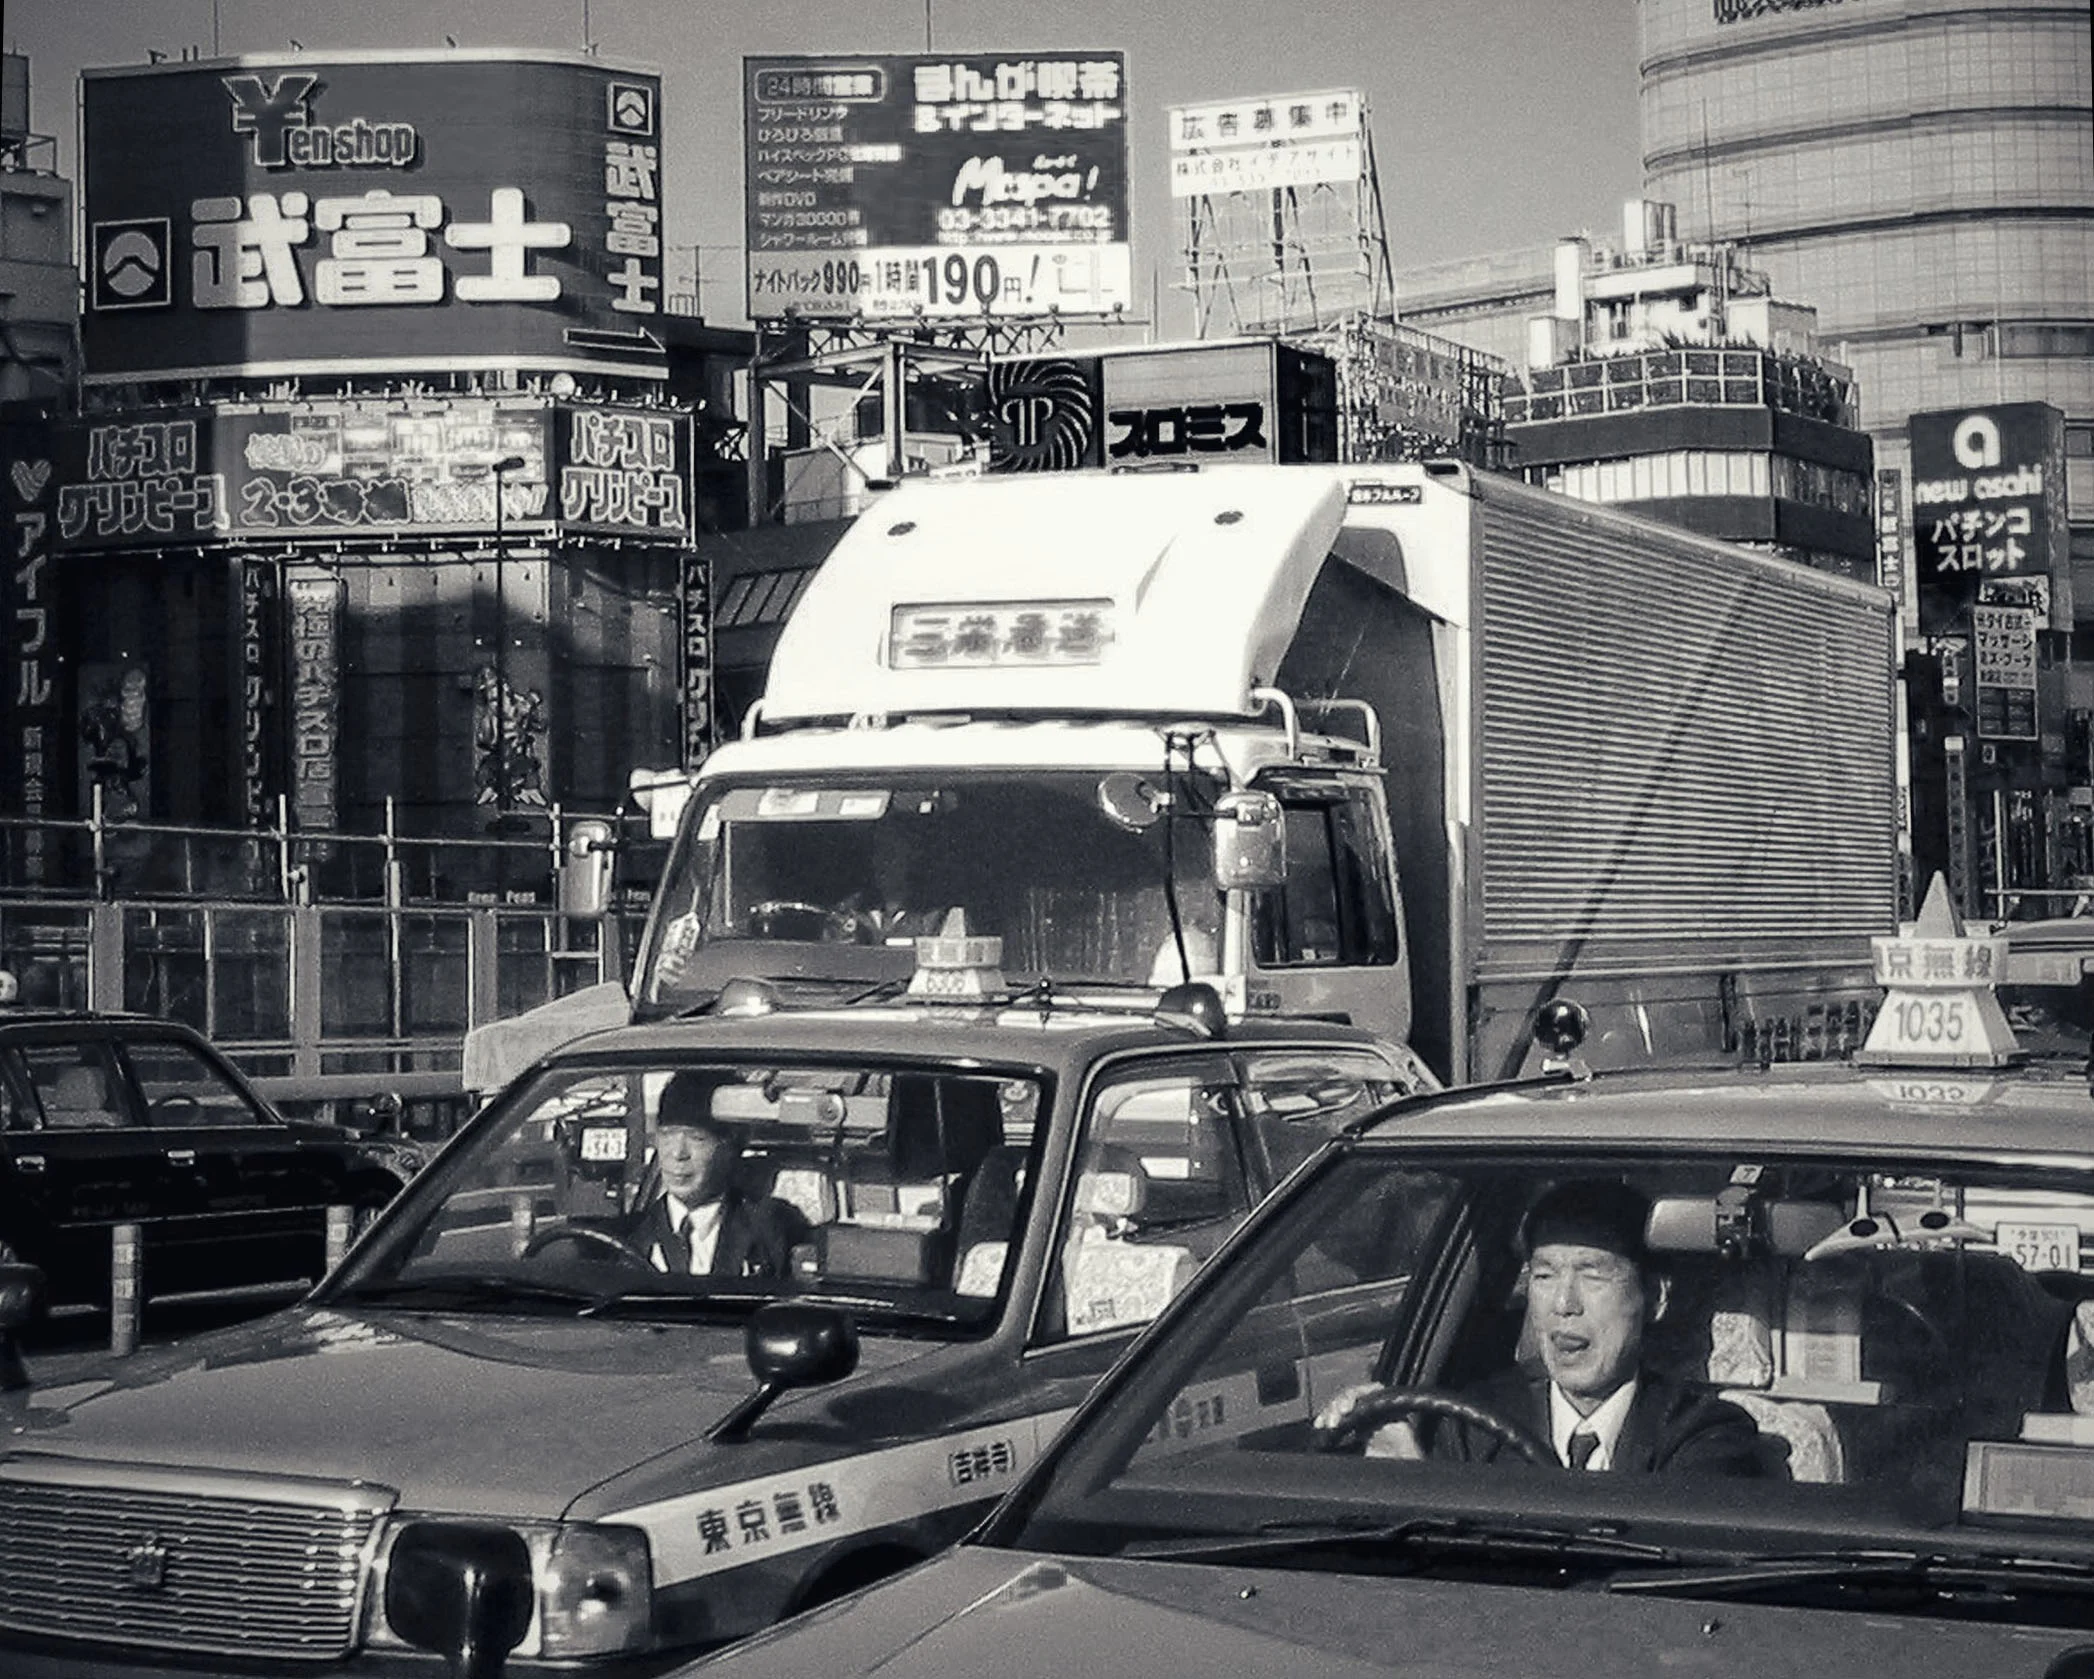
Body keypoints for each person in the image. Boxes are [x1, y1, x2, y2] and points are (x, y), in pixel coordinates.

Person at [1320, 1177, 1765, 1476]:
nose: (1564, 1305)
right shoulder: (1468, 1423)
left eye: (1592, 1275)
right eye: (1545, 1275)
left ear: (1655, 1298)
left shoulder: (1706, 1432)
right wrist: (1406, 1474)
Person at [624, 1070, 809, 1279]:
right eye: (667, 1136)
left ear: (732, 1145)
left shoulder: (775, 1231)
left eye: (697, 1138)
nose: (677, 1154)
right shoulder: (625, 1238)